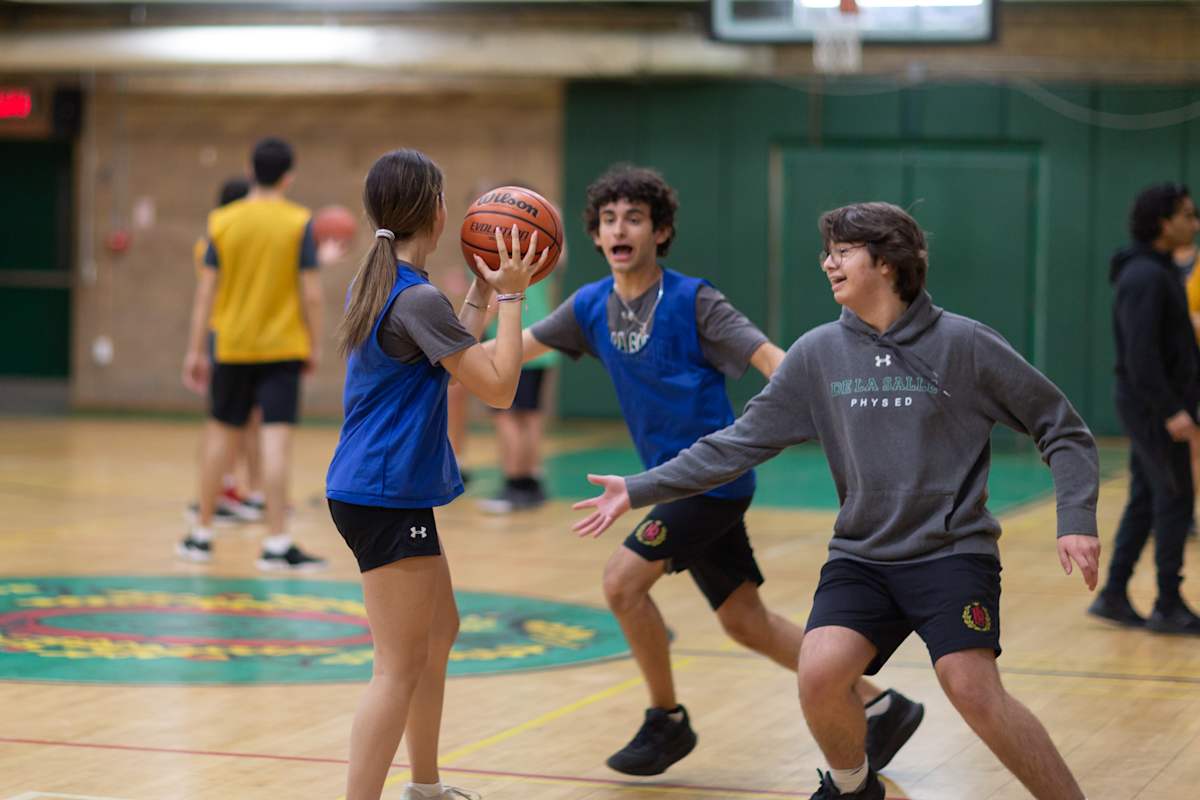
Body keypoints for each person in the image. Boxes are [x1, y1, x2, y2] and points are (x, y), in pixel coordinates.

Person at [574, 201, 1101, 799]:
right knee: (819, 674)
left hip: (951, 554)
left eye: (842, 251)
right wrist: (638, 488)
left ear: (888, 262)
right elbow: (734, 445)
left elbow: (1062, 427)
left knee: (971, 687)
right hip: (862, 557)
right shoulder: (818, 354)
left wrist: (1075, 518)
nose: (828, 263)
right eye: (827, 251)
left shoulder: (964, 344)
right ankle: (854, 788)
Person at [496, 167, 923, 778]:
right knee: (744, 622)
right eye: (609, 219)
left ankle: (666, 719)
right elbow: (503, 356)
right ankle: (879, 706)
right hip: (672, 484)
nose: (621, 228)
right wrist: (450, 343)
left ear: (660, 230)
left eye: (635, 217)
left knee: (622, 583)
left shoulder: (694, 300)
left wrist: (842, 418)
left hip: (713, 480)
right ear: (594, 235)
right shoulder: (590, 306)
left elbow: (773, 361)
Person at [325, 148, 545, 800]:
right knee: (396, 667)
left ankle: (424, 786)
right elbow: (499, 387)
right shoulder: (414, 297)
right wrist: (511, 297)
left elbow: (446, 350)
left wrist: (477, 293)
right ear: (439, 211)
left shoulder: (386, 283)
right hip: (384, 493)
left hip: (379, 488)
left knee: (438, 630)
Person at [179, 137, 327, 571]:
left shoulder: (222, 221)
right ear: (289, 176)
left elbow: (205, 292)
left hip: (231, 345)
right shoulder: (299, 222)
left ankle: (201, 536)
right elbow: (313, 294)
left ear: (249, 170)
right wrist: (313, 344)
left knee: (219, 437)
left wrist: (194, 350)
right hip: (282, 346)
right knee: (276, 439)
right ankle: (277, 543)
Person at [1089, 183, 1200, 635]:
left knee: (1145, 498)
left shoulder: (1160, 271)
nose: (1194, 224)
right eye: (1187, 215)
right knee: (1175, 496)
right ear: (1163, 222)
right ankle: (1168, 603)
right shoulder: (1145, 277)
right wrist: (1172, 409)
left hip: (1155, 406)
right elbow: (1141, 356)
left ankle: (1114, 594)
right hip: (1154, 408)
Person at [184, 176, 265, 526]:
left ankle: (231, 488)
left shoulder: (219, 238)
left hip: (234, 335)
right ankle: (216, 492)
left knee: (242, 420)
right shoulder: (216, 242)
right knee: (225, 421)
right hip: (227, 335)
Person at [478, 273, 561, 513]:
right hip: (539, 342)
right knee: (530, 417)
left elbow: (493, 302)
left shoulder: (496, 259)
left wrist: (467, 337)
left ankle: (515, 485)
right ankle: (531, 484)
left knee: (506, 417)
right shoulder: (537, 257)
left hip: (510, 347)